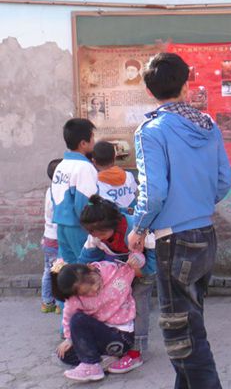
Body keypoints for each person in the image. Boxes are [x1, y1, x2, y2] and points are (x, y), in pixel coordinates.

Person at [127, 52, 231, 389]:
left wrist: (139, 228)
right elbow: (223, 182)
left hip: (174, 240)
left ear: (149, 90)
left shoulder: (151, 131)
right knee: (189, 325)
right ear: (187, 85)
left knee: (181, 333)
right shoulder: (208, 125)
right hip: (205, 232)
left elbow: (154, 192)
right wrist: (197, 204)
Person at [79, 194, 156, 373]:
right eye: (92, 233)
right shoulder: (95, 236)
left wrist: (140, 271)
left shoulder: (139, 230)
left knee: (138, 305)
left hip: (144, 270)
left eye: (101, 234)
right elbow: (85, 260)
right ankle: (116, 346)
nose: (98, 237)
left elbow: (153, 263)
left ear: (114, 225)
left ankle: (136, 352)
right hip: (121, 271)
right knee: (113, 305)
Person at [52, 257, 144, 382]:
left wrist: (136, 259)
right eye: (86, 292)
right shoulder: (75, 300)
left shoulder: (114, 273)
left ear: (91, 268)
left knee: (78, 319)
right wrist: (69, 339)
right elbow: (68, 317)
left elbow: (138, 264)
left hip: (121, 337)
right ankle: (105, 360)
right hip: (101, 338)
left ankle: (91, 365)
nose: (94, 289)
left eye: (92, 282)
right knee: (64, 354)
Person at [51, 118, 98, 264]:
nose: (94, 141)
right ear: (83, 143)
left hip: (61, 226)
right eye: (92, 137)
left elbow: (54, 196)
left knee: (69, 269)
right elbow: (85, 203)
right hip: (79, 227)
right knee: (87, 268)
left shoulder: (61, 165)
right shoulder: (84, 167)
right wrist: (93, 229)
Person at [41, 158, 62, 314]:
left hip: (48, 237)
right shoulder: (59, 192)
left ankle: (47, 301)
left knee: (48, 271)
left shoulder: (49, 190)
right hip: (57, 237)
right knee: (59, 270)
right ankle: (59, 303)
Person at [93, 141, 137, 213]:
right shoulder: (128, 175)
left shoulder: (95, 183)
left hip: (111, 217)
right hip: (132, 216)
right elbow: (134, 192)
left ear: (94, 161)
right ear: (114, 158)